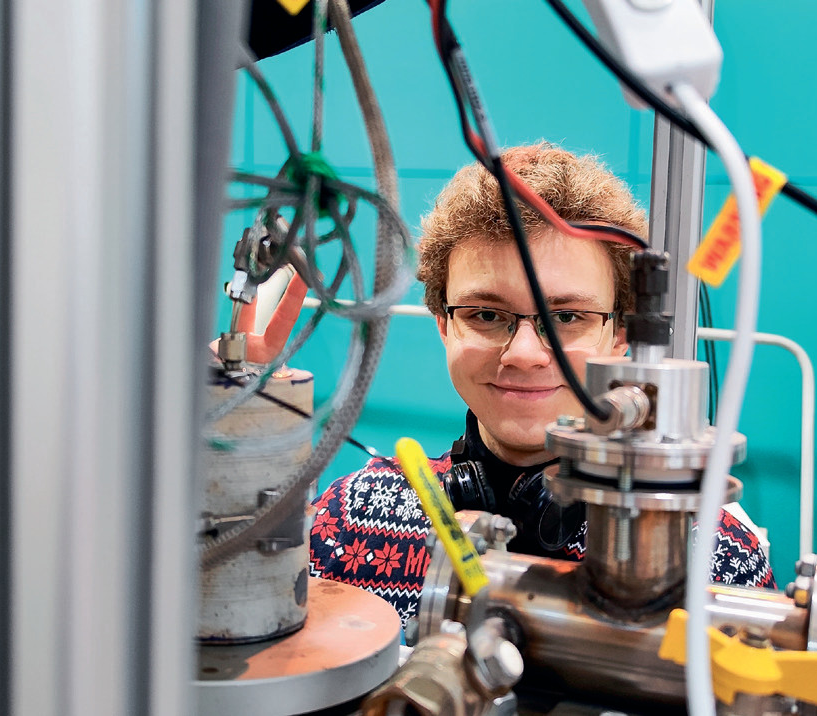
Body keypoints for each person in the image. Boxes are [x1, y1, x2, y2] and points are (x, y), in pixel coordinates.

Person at [308, 143, 773, 622]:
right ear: (444, 324)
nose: (525, 354)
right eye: (486, 314)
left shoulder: (713, 557)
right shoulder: (352, 517)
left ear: (621, 334)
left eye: (567, 317)